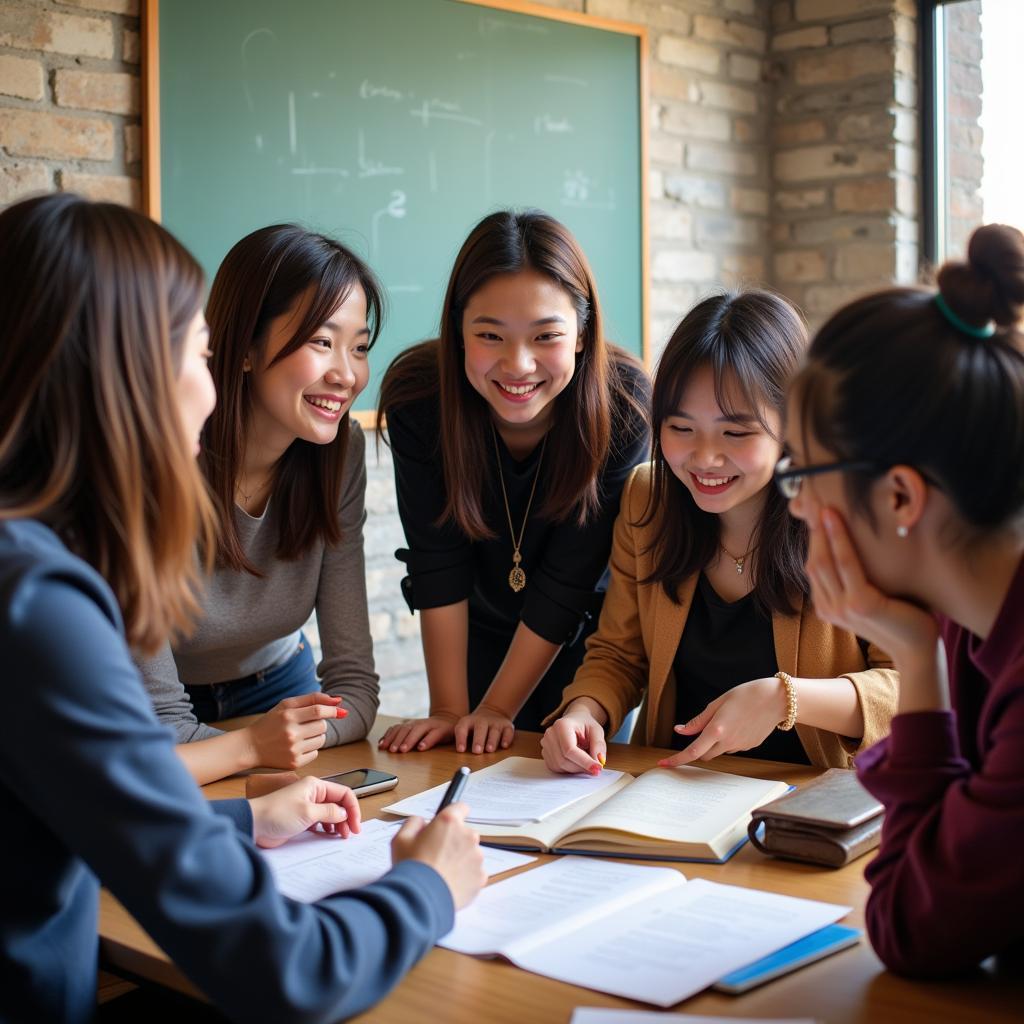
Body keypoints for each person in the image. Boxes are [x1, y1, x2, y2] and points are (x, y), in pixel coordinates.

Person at [0, 193, 485, 1024]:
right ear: (122, 371)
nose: (210, 388)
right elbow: (288, 972)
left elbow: (78, 814)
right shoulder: (40, 605)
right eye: (198, 354)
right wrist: (426, 886)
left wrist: (237, 823)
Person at [781, 224, 1024, 976]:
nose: (794, 506)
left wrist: (919, 664)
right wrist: (918, 650)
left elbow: (910, 929)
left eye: (802, 472)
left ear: (897, 494)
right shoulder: (964, 617)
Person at [541, 290, 898, 774]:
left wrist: (784, 699)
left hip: (813, 810)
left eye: (736, 433)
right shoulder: (649, 498)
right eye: (681, 428)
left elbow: (911, 689)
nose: (705, 458)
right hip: (669, 793)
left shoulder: (857, 516)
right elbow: (619, 653)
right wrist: (586, 710)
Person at [377, 209, 649, 756]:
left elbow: (568, 581)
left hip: (580, 660)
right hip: (470, 645)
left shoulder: (624, 405)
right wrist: (451, 710)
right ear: (458, 331)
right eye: (490, 335)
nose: (517, 364)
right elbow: (438, 563)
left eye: (545, 335)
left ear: (581, 334)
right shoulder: (418, 398)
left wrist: (499, 708)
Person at [137, 224, 382, 785]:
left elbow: (356, 692)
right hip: (167, 714)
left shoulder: (340, 453)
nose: (347, 374)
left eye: (360, 347)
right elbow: (165, 733)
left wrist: (283, 736)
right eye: (322, 341)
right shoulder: (156, 463)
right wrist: (255, 746)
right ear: (245, 347)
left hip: (282, 696)